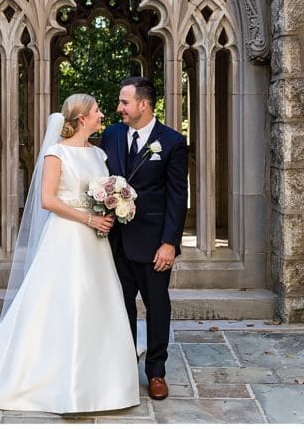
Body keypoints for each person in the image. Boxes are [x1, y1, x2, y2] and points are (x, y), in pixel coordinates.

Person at [0, 94, 140, 413]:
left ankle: (102, 381)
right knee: (63, 302)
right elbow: (47, 200)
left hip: (96, 241)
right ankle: (54, 378)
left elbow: (101, 190)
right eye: (96, 111)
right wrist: (88, 217)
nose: (101, 114)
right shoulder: (56, 153)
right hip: (68, 237)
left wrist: (112, 205)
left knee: (97, 301)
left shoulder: (98, 154)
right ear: (82, 118)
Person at [99, 76, 188, 401]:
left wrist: (169, 243)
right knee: (119, 308)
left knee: (157, 307)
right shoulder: (111, 134)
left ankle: (156, 372)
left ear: (143, 104)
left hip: (153, 246)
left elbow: (178, 198)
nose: (119, 108)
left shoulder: (172, 142)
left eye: (124, 102)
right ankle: (122, 368)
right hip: (115, 243)